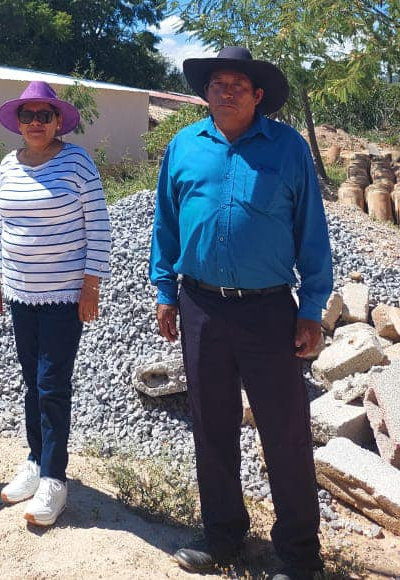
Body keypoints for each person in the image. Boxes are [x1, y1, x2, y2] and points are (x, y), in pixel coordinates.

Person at [149, 47, 332, 580]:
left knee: (286, 432)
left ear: (257, 96)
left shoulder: (288, 149)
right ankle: (224, 536)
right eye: (218, 82)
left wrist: (313, 308)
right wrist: (164, 289)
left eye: (239, 84)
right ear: (205, 92)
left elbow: (312, 234)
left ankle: (300, 555)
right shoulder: (183, 146)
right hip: (200, 305)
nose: (226, 90)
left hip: (270, 311)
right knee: (211, 425)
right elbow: (166, 223)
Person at [0, 80, 111, 527]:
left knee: (52, 383)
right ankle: (36, 461)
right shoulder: (7, 165)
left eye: (44, 115)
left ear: (58, 121)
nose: (35, 123)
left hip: (62, 296)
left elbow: (98, 226)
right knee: (30, 381)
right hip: (20, 292)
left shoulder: (77, 163)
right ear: (17, 122)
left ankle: (55, 479)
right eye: (27, 115)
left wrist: (90, 288)